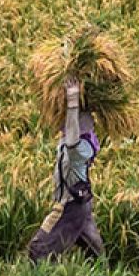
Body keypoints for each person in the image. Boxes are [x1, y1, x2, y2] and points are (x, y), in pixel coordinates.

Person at [27, 77, 105, 262]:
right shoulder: (67, 139)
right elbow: (67, 135)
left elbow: (71, 141)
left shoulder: (82, 147)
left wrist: (72, 102)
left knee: (38, 250)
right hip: (81, 205)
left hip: (70, 206)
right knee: (95, 253)